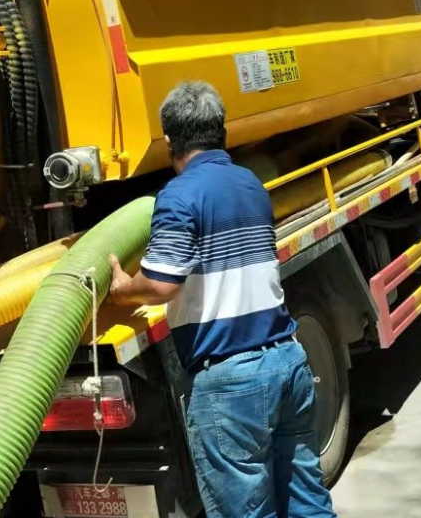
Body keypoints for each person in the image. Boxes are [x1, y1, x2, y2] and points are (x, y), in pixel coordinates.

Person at [109, 81, 336, 518]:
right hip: (287, 360)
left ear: (170, 141)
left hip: (233, 381)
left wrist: (122, 287)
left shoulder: (179, 196)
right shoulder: (249, 183)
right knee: (306, 497)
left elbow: (161, 284)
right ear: (221, 131)